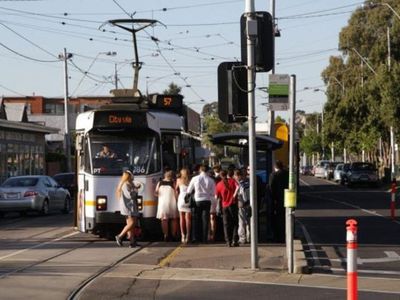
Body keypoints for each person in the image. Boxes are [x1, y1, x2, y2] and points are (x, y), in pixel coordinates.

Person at [186, 164, 215, 243]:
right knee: (205, 220)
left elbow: (189, 190)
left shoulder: (195, 178)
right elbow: (213, 193)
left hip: (197, 200)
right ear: (207, 170)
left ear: (200, 170)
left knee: (196, 219)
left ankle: (195, 237)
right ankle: (204, 239)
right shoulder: (211, 180)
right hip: (207, 200)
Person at [115, 170, 141, 248]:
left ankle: (132, 241)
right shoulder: (125, 185)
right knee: (132, 223)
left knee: (131, 224)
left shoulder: (130, 183)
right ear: (129, 176)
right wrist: (136, 190)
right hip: (128, 206)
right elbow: (130, 195)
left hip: (131, 206)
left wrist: (136, 187)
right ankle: (120, 236)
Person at [215, 169, 239, 247]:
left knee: (226, 224)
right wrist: (234, 195)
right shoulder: (232, 181)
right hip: (233, 204)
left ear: (220, 176)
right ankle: (235, 240)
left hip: (224, 205)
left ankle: (228, 241)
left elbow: (216, 197)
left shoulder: (219, 184)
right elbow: (238, 186)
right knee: (235, 222)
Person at [155, 170, 179, 241]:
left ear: (165, 175)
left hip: (162, 203)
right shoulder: (173, 183)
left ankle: (165, 235)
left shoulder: (160, 183)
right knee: (173, 219)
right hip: (172, 203)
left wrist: (161, 195)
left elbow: (155, 193)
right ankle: (173, 235)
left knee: (164, 220)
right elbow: (176, 194)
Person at [268, 160, 289, 243]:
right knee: (285, 218)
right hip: (287, 199)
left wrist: (272, 200)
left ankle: (278, 237)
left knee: (276, 220)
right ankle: (285, 235)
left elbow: (271, 189)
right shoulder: (287, 174)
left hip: (276, 201)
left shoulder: (273, 175)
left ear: (275, 167)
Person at [175, 167, 192, 244]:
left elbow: (176, 190)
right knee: (188, 219)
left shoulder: (178, 180)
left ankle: (183, 235)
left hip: (181, 199)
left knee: (181, 218)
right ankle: (188, 236)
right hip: (188, 199)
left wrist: (176, 198)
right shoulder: (190, 180)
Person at [234, 169, 250, 244]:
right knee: (248, 221)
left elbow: (241, 195)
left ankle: (242, 238)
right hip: (249, 203)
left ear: (238, 176)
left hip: (242, 203)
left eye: (235, 176)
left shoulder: (240, 184)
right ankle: (249, 237)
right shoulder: (248, 183)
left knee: (241, 221)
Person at [209, 164, 221, 241]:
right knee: (212, 218)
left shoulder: (216, 179)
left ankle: (212, 234)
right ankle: (212, 234)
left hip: (214, 198)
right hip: (213, 199)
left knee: (212, 217)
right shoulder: (215, 179)